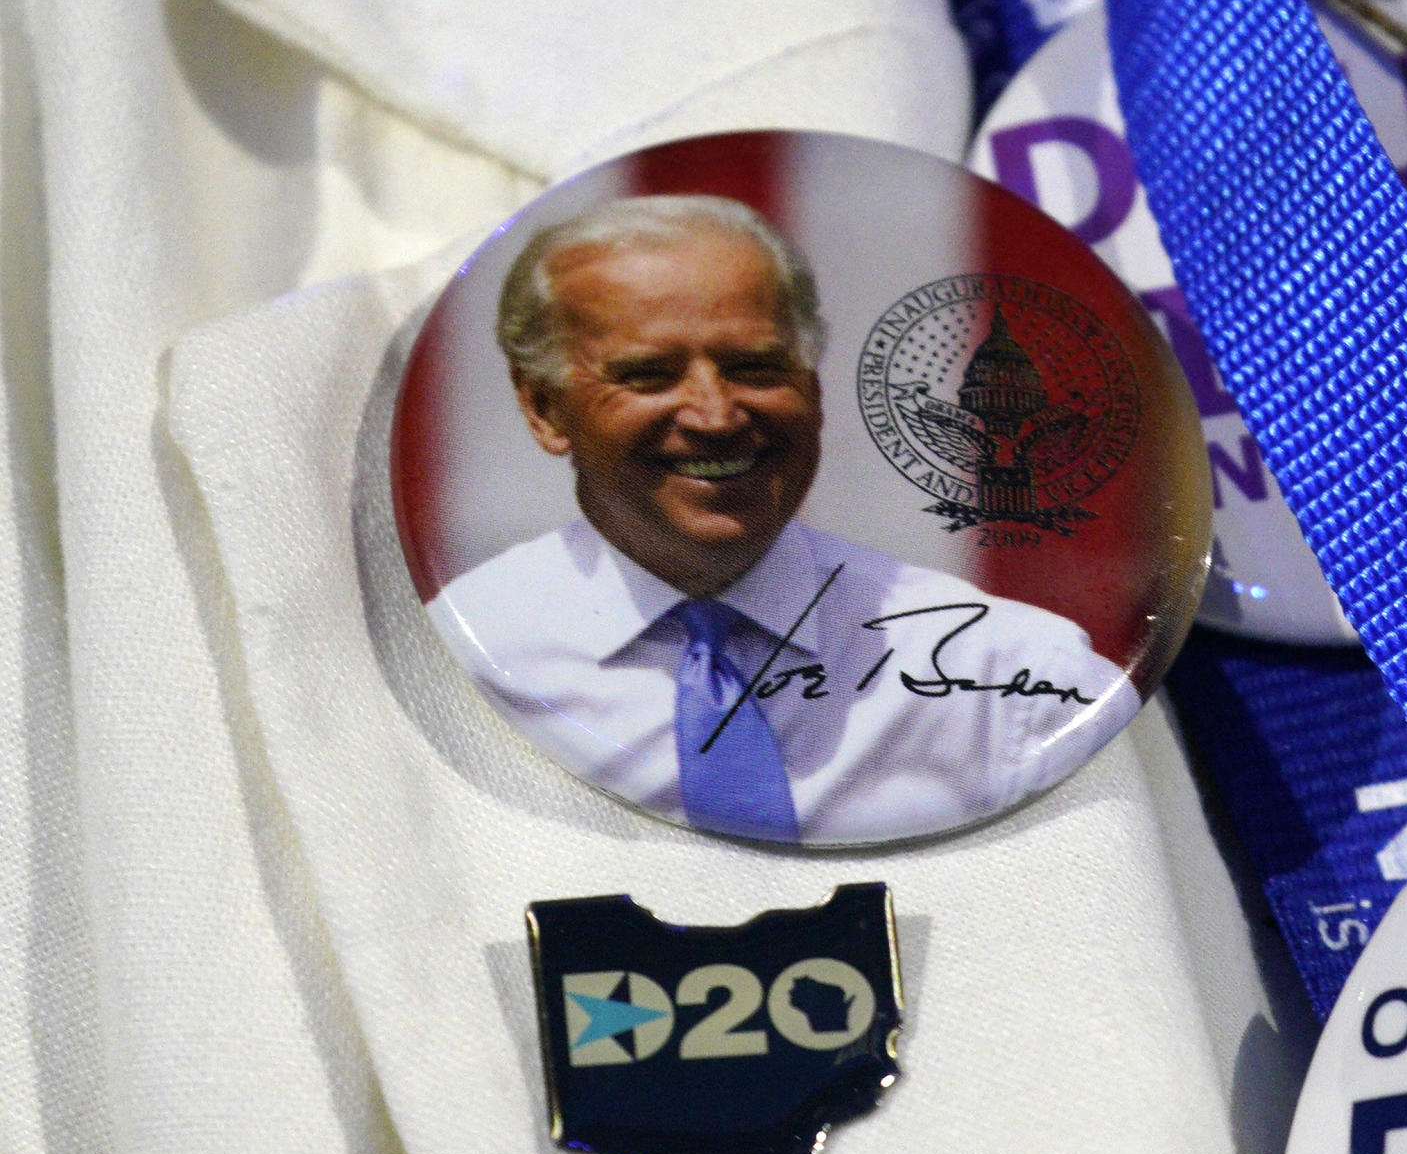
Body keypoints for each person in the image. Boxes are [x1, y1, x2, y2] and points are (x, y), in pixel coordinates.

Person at [428, 193, 1138, 845]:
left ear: (815, 387)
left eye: (755, 368)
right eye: (649, 375)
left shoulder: (1015, 683)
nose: (715, 415)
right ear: (544, 410)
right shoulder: (454, 668)